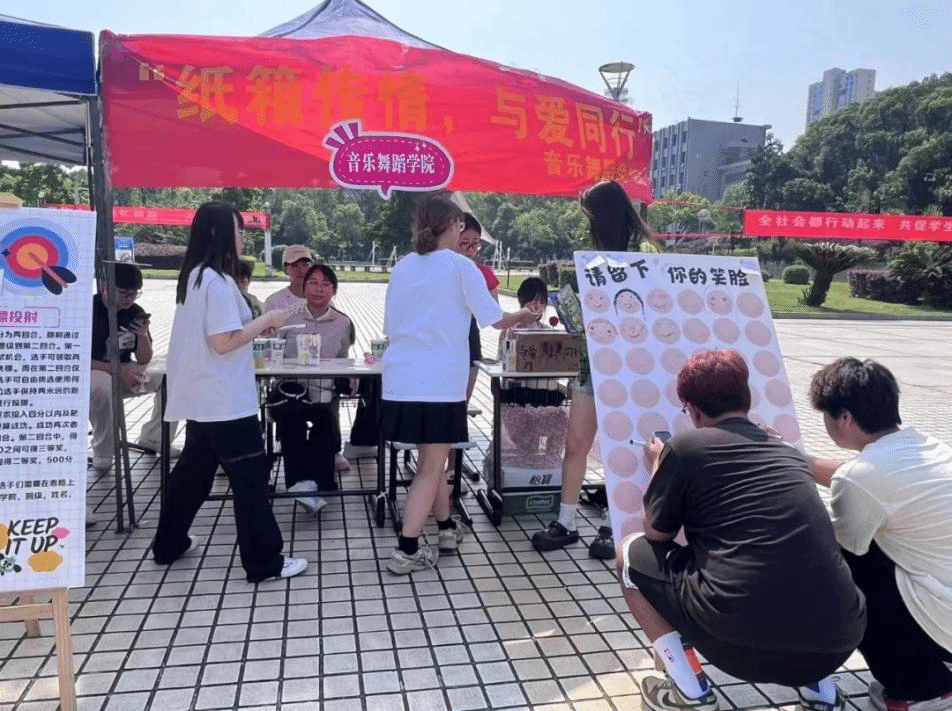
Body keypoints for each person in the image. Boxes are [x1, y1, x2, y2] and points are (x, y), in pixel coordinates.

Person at [620, 349, 865, 711]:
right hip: (839, 640)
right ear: (746, 397)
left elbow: (656, 535)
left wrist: (659, 463)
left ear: (694, 410)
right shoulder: (787, 451)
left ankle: (690, 692)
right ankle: (822, 696)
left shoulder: (685, 447)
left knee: (631, 552)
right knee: (798, 565)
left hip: (743, 648)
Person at [381, 191, 541, 575]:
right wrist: (524, 314)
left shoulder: (403, 266)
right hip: (439, 383)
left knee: (432, 463)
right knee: (430, 467)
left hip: (400, 380)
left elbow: (389, 327)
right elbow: (495, 319)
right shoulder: (460, 267)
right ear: (452, 226)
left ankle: (446, 529)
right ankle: (406, 549)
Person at [152, 201, 307, 583]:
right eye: (238, 230)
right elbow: (223, 342)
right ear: (220, 233)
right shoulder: (217, 282)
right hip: (224, 400)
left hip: (203, 396)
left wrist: (258, 327)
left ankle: (168, 544)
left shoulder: (195, 276)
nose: (242, 238)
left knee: (193, 475)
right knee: (250, 479)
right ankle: (264, 562)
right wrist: (267, 319)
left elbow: (222, 336)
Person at [807, 358, 952, 709]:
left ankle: (918, 690)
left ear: (844, 418)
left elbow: (840, 551)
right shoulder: (924, 444)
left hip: (941, 618)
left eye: (825, 415)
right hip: (944, 597)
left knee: (835, 574)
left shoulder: (859, 478)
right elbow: (860, 476)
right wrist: (801, 460)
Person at [532, 179, 658, 559]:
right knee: (576, 443)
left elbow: (653, 308)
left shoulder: (645, 252)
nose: (588, 225)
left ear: (605, 216)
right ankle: (566, 521)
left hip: (633, 368)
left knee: (624, 447)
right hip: (592, 365)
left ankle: (614, 527)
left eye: (591, 217)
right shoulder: (597, 256)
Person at [275, 263, 356, 514]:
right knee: (291, 419)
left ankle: (320, 484)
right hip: (289, 389)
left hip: (324, 390)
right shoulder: (287, 317)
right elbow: (271, 351)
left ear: (334, 290)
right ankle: (300, 484)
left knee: (327, 421)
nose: (319, 289)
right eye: (313, 282)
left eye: (325, 284)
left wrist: (351, 372)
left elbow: (344, 357)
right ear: (303, 287)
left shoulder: (343, 322)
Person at [88, 262, 178, 472]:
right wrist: (118, 370)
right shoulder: (88, 310)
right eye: (123, 293)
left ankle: (155, 438)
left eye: (134, 293)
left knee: (171, 378)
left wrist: (142, 336)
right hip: (93, 371)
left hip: (126, 368)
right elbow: (78, 359)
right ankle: (103, 451)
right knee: (101, 386)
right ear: (105, 286)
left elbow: (145, 358)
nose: (129, 299)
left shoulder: (135, 311)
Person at [495, 278, 568, 464]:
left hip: (545, 398)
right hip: (518, 399)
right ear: (522, 302)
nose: (536, 307)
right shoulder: (510, 331)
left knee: (562, 418)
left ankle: (551, 465)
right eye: (531, 301)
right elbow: (501, 364)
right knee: (528, 428)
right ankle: (529, 466)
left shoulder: (550, 332)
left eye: (541, 302)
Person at [457, 213, 499, 401]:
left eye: (476, 243)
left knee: (463, 400)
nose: (471, 248)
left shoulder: (484, 272)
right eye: (465, 243)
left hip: (470, 334)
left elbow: (496, 313)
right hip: (443, 337)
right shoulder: (441, 267)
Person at [264, 244, 312, 311]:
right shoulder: (273, 302)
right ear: (285, 270)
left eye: (305, 265)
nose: (301, 270)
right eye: (295, 265)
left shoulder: (322, 298)